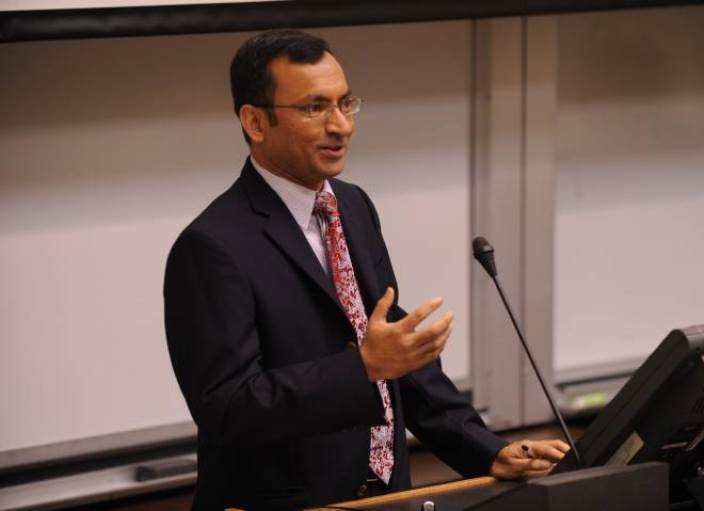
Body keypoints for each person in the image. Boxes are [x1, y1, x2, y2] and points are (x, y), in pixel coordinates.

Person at [163, 28, 568, 511]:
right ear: (254, 121)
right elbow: (228, 410)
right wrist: (362, 369)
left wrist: (489, 451)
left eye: (346, 103)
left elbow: (400, 363)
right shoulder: (212, 246)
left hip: (385, 496)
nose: (342, 126)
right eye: (314, 108)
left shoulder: (352, 207)